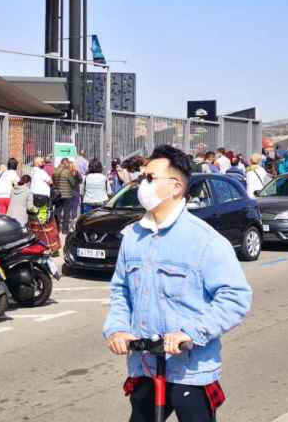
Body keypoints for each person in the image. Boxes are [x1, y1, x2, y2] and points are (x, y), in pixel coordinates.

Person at [104, 145, 252, 421]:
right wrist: (117, 330)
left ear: (175, 187)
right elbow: (120, 291)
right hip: (145, 364)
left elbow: (235, 298)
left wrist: (191, 333)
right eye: (141, 177)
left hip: (190, 370)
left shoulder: (204, 241)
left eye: (150, 178)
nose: (141, 184)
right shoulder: (133, 237)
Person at [53, 158, 82, 235]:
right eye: (68, 163)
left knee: (57, 212)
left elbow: (53, 181)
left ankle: (57, 228)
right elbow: (72, 183)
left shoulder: (55, 171)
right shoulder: (67, 172)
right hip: (67, 195)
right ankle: (64, 230)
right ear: (65, 163)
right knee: (66, 212)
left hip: (57, 194)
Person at [31, 156, 53, 222]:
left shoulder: (32, 171)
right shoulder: (41, 172)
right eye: (42, 162)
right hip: (43, 195)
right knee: (43, 212)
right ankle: (42, 224)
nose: (43, 163)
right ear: (37, 163)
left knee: (35, 211)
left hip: (33, 194)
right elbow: (50, 181)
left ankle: (35, 224)